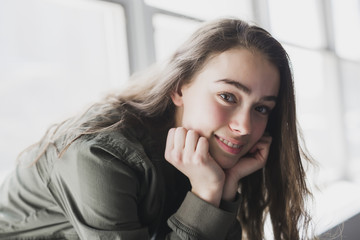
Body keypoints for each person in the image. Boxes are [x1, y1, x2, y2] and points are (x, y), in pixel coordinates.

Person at [0, 18, 313, 240]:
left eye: (261, 108)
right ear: (179, 88)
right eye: (227, 96)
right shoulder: (99, 155)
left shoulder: (201, 161)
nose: (244, 127)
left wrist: (224, 188)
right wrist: (206, 195)